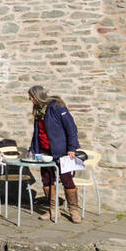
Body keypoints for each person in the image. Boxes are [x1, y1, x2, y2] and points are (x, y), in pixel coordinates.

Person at [28, 85, 82, 223]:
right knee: (47, 180)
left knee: (66, 179)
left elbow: (71, 128)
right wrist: (33, 149)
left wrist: (71, 148)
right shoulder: (38, 110)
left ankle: (74, 210)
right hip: (45, 152)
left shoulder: (57, 107)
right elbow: (38, 133)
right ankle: (53, 209)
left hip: (62, 151)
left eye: (31, 97)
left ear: (37, 96)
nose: (29, 99)